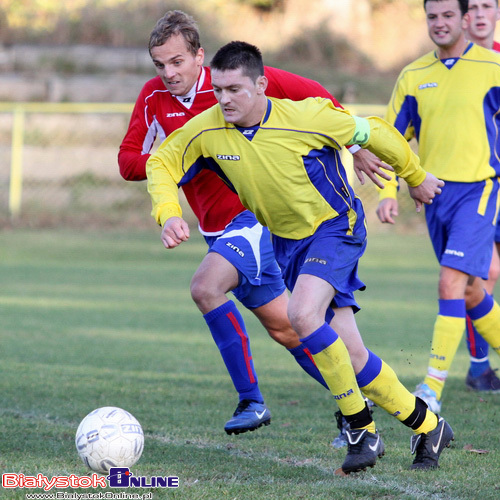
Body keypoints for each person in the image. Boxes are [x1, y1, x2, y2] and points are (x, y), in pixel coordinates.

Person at [146, 40, 453, 473]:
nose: (224, 99)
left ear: (261, 85)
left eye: (235, 89)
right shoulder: (208, 129)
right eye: (218, 90)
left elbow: (375, 131)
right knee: (353, 354)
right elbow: (161, 161)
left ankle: (360, 429)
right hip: (287, 244)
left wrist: (415, 176)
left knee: (302, 314)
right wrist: (167, 212)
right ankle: (429, 425)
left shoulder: (306, 116)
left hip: (335, 228)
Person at [118, 10, 392, 438]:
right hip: (215, 231)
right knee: (288, 329)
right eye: (159, 64)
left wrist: (353, 143)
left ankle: (251, 400)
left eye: (176, 62)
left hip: (252, 220)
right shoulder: (153, 98)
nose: (168, 73)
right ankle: (356, 402)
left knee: (205, 288)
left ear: (199, 57)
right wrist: (180, 162)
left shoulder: (234, 82)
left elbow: (314, 95)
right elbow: (128, 161)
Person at [376, 0, 500, 412]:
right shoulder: (413, 75)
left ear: (464, 19)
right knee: (469, 291)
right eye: (433, 16)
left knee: (449, 283)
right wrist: (388, 193)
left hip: (479, 193)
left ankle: (431, 388)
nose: (440, 23)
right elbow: (391, 141)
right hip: (434, 197)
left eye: (449, 15)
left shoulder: (493, 68)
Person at [461, 0, 500, 392]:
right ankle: (478, 367)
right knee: (483, 272)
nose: (480, 12)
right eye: (472, 6)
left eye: (488, 5)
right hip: (474, 187)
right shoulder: (446, 68)